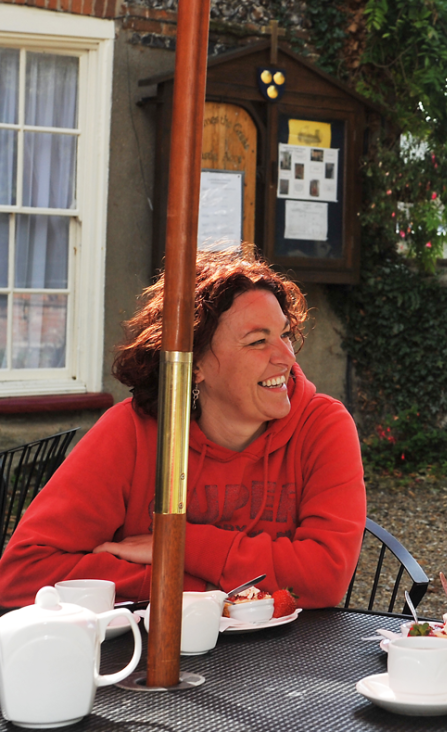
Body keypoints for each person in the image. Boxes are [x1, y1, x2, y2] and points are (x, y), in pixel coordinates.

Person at [0, 248, 366, 609]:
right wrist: (195, 587)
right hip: (142, 658)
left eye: (284, 334)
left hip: (283, 660)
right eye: (258, 341)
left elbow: (325, 579)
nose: (287, 357)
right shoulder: (133, 431)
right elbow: (21, 574)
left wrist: (176, 547)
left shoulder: (323, 427)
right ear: (194, 366)